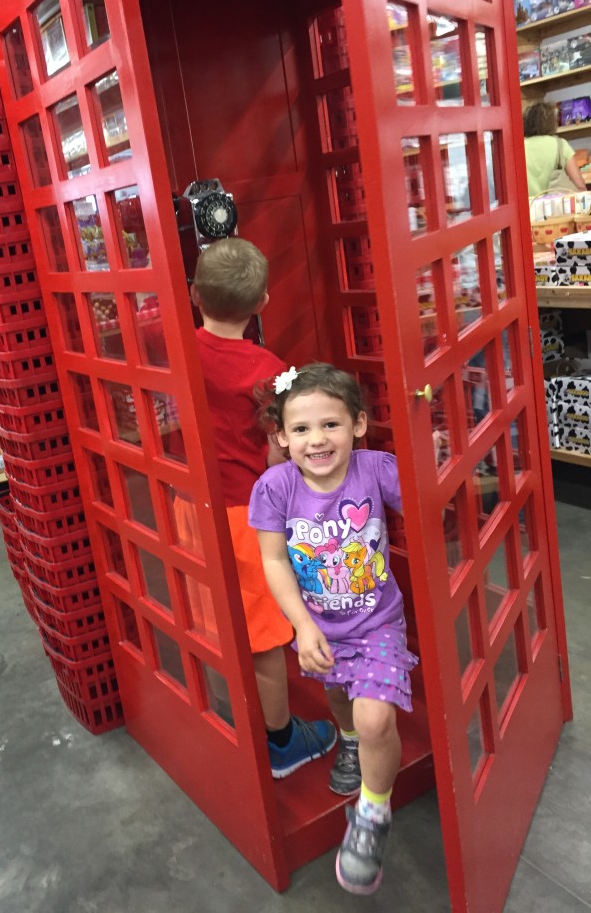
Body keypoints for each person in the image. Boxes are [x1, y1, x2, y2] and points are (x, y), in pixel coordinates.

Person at [249, 363, 418, 895]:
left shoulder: (375, 470)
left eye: (331, 425)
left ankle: (372, 814)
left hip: (377, 622)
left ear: (359, 425)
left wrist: (432, 452)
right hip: (318, 627)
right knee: (343, 703)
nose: (317, 439)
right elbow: (274, 561)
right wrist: (300, 624)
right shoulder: (274, 488)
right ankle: (345, 741)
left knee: (375, 719)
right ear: (281, 436)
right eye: (300, 429)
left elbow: (426, 497)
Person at [181, 237, 336, 778]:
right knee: (265, 636)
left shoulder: (179, 350)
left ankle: (228, 715)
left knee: (218, 621)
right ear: (263, 302)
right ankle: (279, 741)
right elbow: (280, 449)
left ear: (195, 295)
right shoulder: (273, 370)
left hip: (189, 503)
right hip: (246, 512)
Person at [523, 101, 586, 196]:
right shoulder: (560, 145)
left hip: (529, 208)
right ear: (552, 122)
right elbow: (581, 187)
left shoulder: (519, 148)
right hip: (556, 208)